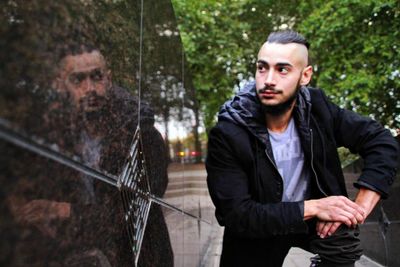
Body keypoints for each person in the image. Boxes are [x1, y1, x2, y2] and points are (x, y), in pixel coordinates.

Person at [206, 30, 399, 267]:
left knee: (343, 241)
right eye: (262, 68)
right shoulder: (228, 133)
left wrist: (358, 209)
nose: (268, 79)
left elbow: (381, 140)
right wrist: (316, 206)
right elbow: (237, 214)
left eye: (282, 69)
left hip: (312, 223)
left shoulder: (318, 110)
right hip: (258, 227)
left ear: (305, 75)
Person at [2, 44, 173, 266]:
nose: (90, 88)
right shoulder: (56, 134)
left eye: (97, 76)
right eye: (78, 80)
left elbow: (138, 207)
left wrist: (64, 211)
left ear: (109, 79)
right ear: (61, 85)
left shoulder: (142, 132)